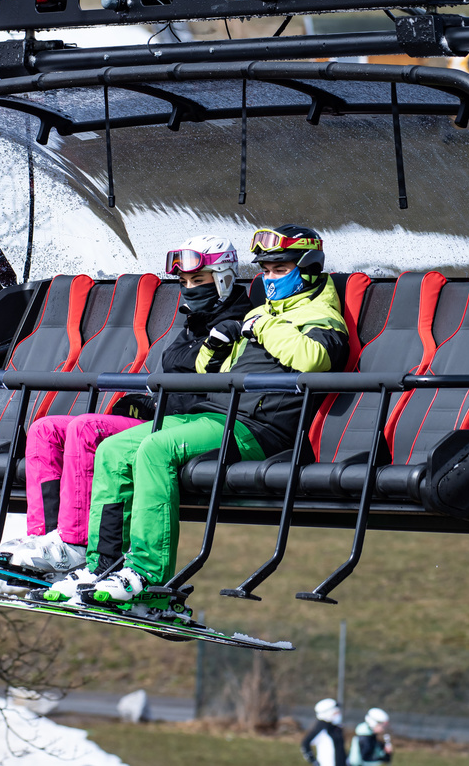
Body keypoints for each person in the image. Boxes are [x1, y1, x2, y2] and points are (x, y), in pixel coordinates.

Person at [44, 223, 348, 608]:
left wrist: (264, 325)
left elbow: (315, 360)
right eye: (265, 271)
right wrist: (217, 345)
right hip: (215, 415)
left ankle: (146, 573)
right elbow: (209, 374)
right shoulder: (262, 313)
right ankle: (102, 565)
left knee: (155, 450)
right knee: (113, 449)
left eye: (280, 270)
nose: (269, 279)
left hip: (258, 429)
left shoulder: (322, 317)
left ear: (307, 269)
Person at [0, 235, 250, 575]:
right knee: (45, 430)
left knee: (87, 429)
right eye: (184, 281)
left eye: (198, 280)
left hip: (188, 425)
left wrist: (159, 404)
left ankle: (75, 543)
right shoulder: (194, 324)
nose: (189, 288)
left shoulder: (237, 325)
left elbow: (204, 392)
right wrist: (144, 404)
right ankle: (45, 541)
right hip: (162, 415)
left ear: (223, 277)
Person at [302, 698, 345, 766]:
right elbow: (305, 743)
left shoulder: (335, 727)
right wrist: (313, 760)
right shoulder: (322, 728)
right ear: (328, 713)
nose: (338, 715)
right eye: (336, 713)